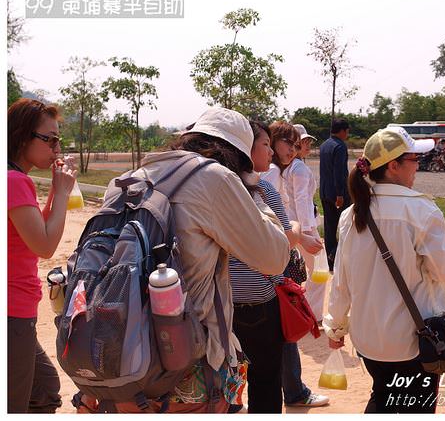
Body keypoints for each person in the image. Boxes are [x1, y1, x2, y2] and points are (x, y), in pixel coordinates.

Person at [81, 107, 291, 413]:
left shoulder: (128, 179)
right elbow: (275, 257)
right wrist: (253, 188)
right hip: (184, 368)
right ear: (238, 156)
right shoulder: (214, 178)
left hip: (121, 359)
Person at [324, 125, 445, 414]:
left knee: (383, 397)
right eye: (414, 159)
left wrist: (335, 326)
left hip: (368, 341)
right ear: (394, 166)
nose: (417, 166)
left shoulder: (351, 215)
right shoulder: (422, 211)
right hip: (415, 341)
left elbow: (341, 279)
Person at [229, 120, 312, 413]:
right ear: (244, 148)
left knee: (226, 384)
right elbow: (286, 239)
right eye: (264, 145)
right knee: (264, 381)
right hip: (260, 302)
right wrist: (300, 228)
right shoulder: (260, 187)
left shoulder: (213, 188)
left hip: (221, 303)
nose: (270, 151)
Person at [8, 98, 77, 413]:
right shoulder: (14, 182)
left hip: (14, 310)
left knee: (45, 389)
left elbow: (39, 231)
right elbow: (46, 246)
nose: (56, 147)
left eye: (58, 140)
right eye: (49, 139)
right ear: (22, 137)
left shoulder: (13, 179)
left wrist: (55, 192)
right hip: (12, 313)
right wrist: (61, 193)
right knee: (14, 405)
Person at [262, 121, 329, 408]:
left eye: (297, 143)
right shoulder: (276, 172)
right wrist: (305, 237)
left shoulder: (278, 170)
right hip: (282, 248)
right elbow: (284, 213)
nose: (294, 148)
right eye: (286, 142)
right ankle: (294, 391)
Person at [286, 124, 325, 323]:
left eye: (308, 140)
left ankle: (305, 310)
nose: (308, 144)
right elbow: (301, 199)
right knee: (320, 270)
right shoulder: (298, 167)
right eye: (303, 141)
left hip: (294, 225)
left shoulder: (291, 166)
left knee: (310, 270)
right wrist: (308, 230)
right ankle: (312, 313)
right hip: (303, 226)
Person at [319, 119, 351, 272]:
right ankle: (337, 255)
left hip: (325, 191)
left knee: (330, 227)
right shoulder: (339, 147)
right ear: (343, 131)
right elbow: (339, 173)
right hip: (338, 194)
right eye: (347, 131)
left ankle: (330, 259)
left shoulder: (324, 145)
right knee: (346, 224)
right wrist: (340, 194)